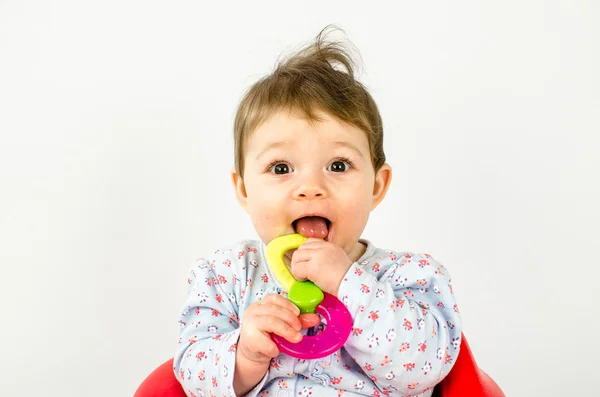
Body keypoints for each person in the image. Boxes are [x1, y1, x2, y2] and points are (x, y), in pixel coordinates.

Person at [173, 27, 461, 397]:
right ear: (244, 189)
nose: (310, 187)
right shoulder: (224, 276)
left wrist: (350, 285)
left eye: (338, 166)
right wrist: (244, 354)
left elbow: (428, 369)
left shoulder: (411, 276)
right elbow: (188, 373)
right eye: (281, 168)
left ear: (376, 186)